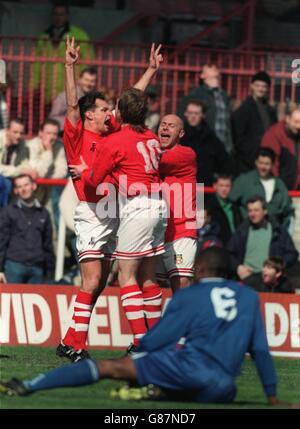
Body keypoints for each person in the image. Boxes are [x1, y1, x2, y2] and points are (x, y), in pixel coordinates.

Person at [0, 247, 287, 407]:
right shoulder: (250, 298)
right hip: (223, 389)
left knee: (110, 368)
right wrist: (271, 396)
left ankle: (28, 385)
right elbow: (261, 351)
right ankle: (156, 390)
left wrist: (138, 361)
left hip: (186, 369)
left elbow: (157, 339)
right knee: (194, 388)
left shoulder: (191, 295)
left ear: (200, 271)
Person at [58, 37, 164, 362]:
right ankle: (77, 345)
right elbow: (74, 104)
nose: (110, 113)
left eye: (109, 109)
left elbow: (130, 102)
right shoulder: (78, 133)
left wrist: (149, 71)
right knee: (91, 280)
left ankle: (70, 341)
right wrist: (70, 67)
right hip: (92, 212)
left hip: (116, 211)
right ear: (89, 116)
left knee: (102, 281)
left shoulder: (110, 133)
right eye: (103, 109)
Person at [72, 87, 167, 353]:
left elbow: (93, 179)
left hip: (137, 208)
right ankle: (156, 339)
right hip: (160, 205)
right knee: (149, 278)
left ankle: (140, 342)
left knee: (127, 278)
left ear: (120, 112)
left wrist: (83, 170)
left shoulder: (115, 141)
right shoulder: (151, 137)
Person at [156, 114, 197, 293]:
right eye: (163, 124)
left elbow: (156, 162)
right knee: (150, 287)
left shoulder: (185, 154)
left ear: (181, 133)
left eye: (171, 126)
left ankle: (185, 321)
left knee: (180, 285)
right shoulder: (152, 150)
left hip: (181, 232)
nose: (165, 128)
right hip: (156, 233)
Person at [33, 3, 94, 106]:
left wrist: (82, 82)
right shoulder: (43, 37)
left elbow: (88, 61)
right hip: (47, 90)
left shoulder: (79, 35)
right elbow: (36, 64)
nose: (58, 17)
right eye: (56, 14)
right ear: (52, 16)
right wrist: (34, 86)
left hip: (70, 87)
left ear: (67, 16)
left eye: (61, 14)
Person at [226, 196, 299, 281]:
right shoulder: (242, 230)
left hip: (269, 282)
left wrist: (276, 267)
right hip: (245, 279)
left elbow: (292, 254)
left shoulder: (278, 231)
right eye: (250, 211)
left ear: (265, 211)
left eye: (256, 210)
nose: (253, 214)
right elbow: (228, 253)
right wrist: (238, 267)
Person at [0, 174, 54, 285]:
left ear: (34, 186)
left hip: (37, 268)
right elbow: (2, 242)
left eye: (26, 185)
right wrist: (0, 270)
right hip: (14, 266)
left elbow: (48, 245)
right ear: (15, 191)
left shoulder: (44, 213)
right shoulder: (8, 212)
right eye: (19, 187)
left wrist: (49, 273)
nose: (23, 189)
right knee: (11, 302)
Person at [230, 148, 294, 229]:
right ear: (256, 162)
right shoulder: (244, 181)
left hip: (273, 232)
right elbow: (230, 204)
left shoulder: (280, 185)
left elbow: (287, 210)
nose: (263, 167)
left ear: (272, 165)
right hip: (249, 230)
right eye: (260, 163)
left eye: (267, 164)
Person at [178, 64, 233, 154]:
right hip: (204, 148)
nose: (215, 68)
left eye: (216, 68)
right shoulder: (195, 95)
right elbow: (182, 120)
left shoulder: (224, 96)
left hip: (225, 149)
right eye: (210, 67)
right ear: (202, 75)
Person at [232, 71, 277, 174]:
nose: (260, 89)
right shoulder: (243, 109)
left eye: (264, 86)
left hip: (266, 161)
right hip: (247, 162)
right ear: (252, 86)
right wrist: (253, 156)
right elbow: (238, 138)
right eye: (257, 85)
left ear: (268, 88)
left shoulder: (271, 111)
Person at [180, 100, 232, 186]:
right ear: (185, 114)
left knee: (200, 200)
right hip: (181, 184)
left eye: (196, 113)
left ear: (203, 115)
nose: (192, 116)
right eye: (190, 113)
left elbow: (224, 162)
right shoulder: (179, 136)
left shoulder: (211, 138)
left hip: (202, 184)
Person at [261, 106, 300, 190]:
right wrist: (278, 188)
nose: (298, 126)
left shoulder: (297, 134)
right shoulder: (274, 134)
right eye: (296, 122)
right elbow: (270, 165)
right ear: (287, 119)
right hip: (278, 188)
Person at [49, 67, 97, 132]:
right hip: (65, 134)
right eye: (86, 80)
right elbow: (53, 117)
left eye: (92, 81)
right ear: (79, 80)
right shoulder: (65, 96)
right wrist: (73, 124)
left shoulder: (96, 98)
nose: (89, 84)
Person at [206, 173, 241, 245]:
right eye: (221, 185)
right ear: (215, 186)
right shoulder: (209, 207)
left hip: (234, 247)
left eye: (227, 186)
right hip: (217, 247)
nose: (224, 189)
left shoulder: (235, 207)